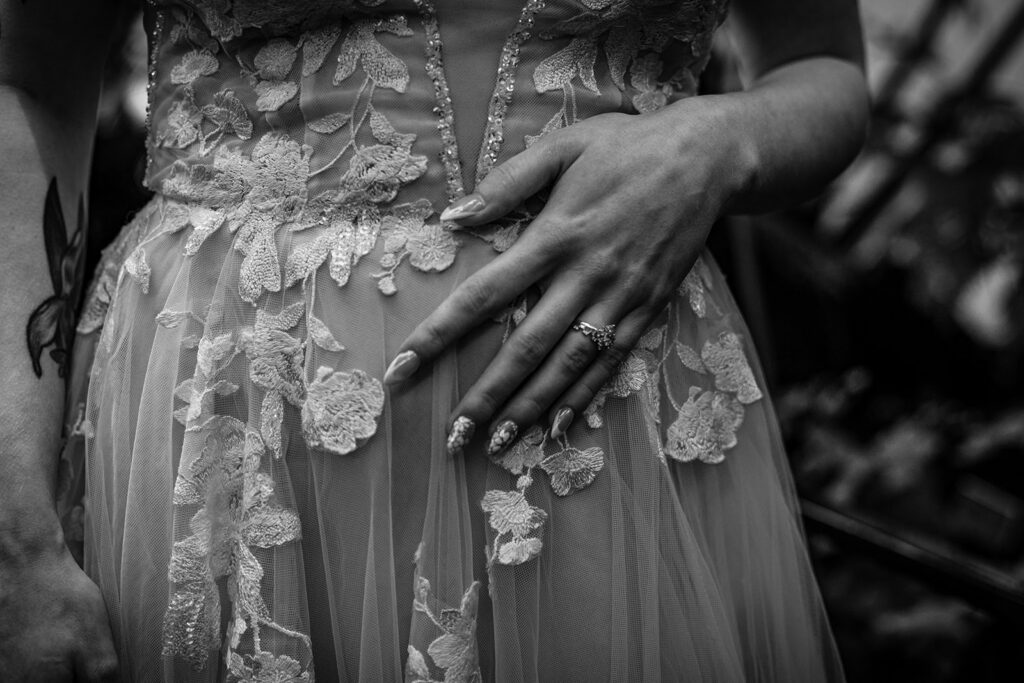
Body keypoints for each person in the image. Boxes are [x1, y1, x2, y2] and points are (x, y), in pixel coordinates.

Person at [0, 0, 868, 680]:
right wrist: (14, 530)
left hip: (607, 420)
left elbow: (822, 69)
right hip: (228, 415)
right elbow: (28, 84)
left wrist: (716, 140)